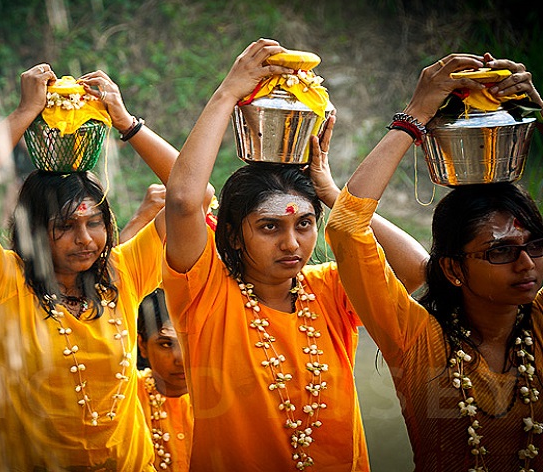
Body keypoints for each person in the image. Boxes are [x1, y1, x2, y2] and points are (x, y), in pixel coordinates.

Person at [162, 38, 429, 471]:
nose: (292, 244)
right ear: (231, 234)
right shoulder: (205, 293)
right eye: (270, 227)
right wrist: (229, 92)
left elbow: (415, 269)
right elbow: (182, 200)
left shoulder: (329, 292)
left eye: (303, 224)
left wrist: (331, 192)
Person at [0, 65, 199, 470]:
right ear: (33, 232)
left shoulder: (122, 272)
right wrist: (23, 114)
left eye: (94, 223)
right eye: (65, 226)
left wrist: (126, 123)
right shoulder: (6, 282)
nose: (85, 239)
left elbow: (195, 194)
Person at [326, 53, 543, 471]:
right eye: (499, 251)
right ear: (453, 269)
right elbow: (347, 228)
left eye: (535, 245)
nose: (526, 265)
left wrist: (534, 109)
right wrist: (416, 114)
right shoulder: (417, 339)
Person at [136, 288, 193, 471]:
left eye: (189, 342)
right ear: (142, 345)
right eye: (166, 344)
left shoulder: (228, 397)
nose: (181, 358)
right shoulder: (124, 398)